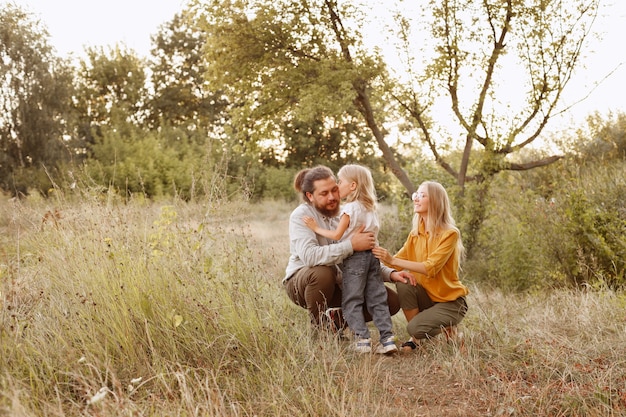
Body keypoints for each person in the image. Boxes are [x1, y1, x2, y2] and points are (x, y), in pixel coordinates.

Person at [282, 166, 412, 347]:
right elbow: (310, 257)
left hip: (339, 281)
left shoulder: (346, 213)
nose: (332, 197)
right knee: (323, 272)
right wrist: (351, 245)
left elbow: (363, 256)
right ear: (310, 196)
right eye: (324, 193)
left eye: (334, 189)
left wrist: (390, 274)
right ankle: (319, 330)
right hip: (303, 282)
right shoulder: (302, 216)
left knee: (391, 301)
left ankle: (335, 322)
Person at [372, 181, 469, 352]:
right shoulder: (415, 234)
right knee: (403, 281)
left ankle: (434, 330)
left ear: (436, 202)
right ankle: (417, 338)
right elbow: (394, 259)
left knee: (414, 327)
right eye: (416, 195)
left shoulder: (450, 233)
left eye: (422, 195)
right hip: (427, 297)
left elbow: (430, 268)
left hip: (451, 302)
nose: (416, 199)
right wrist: (369, 251)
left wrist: (393, 261)